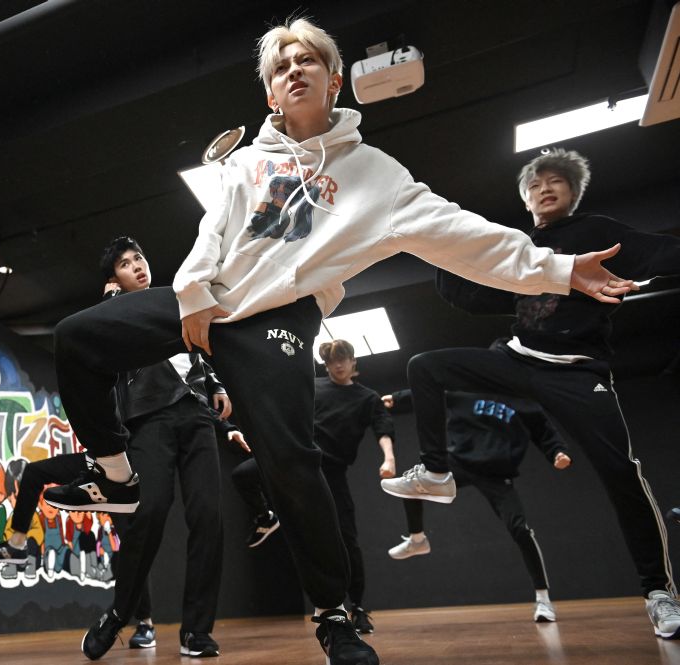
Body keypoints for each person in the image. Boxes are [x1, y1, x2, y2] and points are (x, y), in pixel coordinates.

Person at [44, 17, 631, 664]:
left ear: (333, 81)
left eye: (307, 61)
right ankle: (118, 475)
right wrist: (191, 292)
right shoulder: (246, 161)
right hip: (210, 300)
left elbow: (461, 233)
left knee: (291, 459)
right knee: (77, 338)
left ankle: (333, 617)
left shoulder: (376, 175)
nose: (293, 70)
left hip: (279, 317)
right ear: (271, 93)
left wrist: (556, 267)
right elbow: (213, 230)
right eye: (280, 67)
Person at [381, 148, 680, 640]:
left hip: (577, 371)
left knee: (621, 472)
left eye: (556, 181)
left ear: (573, 191)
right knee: (426, 367)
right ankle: (436, 472)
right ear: (524, 197)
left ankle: (658, 592)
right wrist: (437, 249)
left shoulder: (596, 232)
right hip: (515, 360)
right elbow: (471, 295)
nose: (545, 187)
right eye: (535, 183)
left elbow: (660, 252)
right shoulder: (517, 246)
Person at [0, 237, 233, 659]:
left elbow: (197, 354)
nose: (137, 266)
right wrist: (109, 305)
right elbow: (90, 356)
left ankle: (197, 631)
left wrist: (216, 385)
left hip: (195, 418)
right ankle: (121, 614)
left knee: (209, 518)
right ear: (112, 279)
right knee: (148, 514)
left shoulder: (175, 304)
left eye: (139, 257)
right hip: (147, 420)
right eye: (125, 263)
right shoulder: (113, 319)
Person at [229, 340, 394, 635]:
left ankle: (356, 607)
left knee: (346, 539)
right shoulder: (314, 386)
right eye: (332, 361)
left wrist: (389, 459)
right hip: (298, 458)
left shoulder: (367, 397)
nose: (338, 365)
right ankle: (266, 518)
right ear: (326, 364)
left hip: (332, 471)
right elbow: (282, 410)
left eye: (343, 360)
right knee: (243, 474)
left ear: (353, 362)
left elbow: (383, 429)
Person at [382, 385, 571, 622]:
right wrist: (399, 399)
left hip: (496, 472)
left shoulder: (523, 402)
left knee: (520, 530)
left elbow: (544, 430)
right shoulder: (466, 394)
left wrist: (557, 452)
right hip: (459, 461)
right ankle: (417, 540)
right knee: (411, 487)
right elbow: (432, 393)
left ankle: (543, 600)